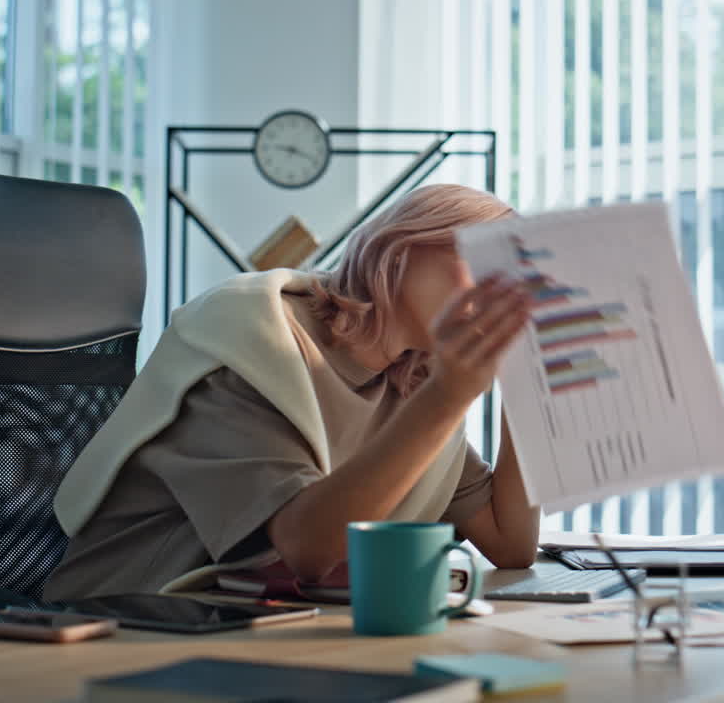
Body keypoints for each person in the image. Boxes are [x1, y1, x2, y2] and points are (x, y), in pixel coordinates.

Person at [44, 184, 540, 600]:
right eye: (482, 259)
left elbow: (510, 541)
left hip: (261, 631)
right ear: (404, 245)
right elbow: (308, 548)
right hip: (128, 624)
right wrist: (449, 398)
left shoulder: (410, 381)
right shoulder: (253, 338)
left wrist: (524, 381)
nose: (497, 292)